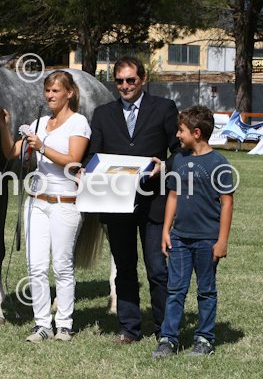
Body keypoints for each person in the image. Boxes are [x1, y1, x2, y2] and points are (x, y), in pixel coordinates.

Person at [86, 56, 180, 344]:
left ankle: (165, 329)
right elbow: (93, 154)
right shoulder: (103, 114)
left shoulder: (164, 108)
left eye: (130, 80)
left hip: (154, 201)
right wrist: (85, 173)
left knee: (158, 269)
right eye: (119, 81)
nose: (125, 86)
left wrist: (165, 166)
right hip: (116, 202)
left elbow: (179, 150)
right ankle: (129, 328)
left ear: (143, 79)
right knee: (124, 268)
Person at [0, 70, 91, 343]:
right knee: (35, 267)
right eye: (47, 90)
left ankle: (64, 324)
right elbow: (11, 152)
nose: (49, 95)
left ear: (69, 93)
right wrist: (4, 127)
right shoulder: (39, 123)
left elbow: (73, 160)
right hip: (36, 202)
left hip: (64, 203)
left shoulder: (78, 123)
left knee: (62, 266)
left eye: (55, 91)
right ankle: (42, 324)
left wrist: (42, 147)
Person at [152, 105, 235, 358]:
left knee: (206, 290)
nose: (177, 135)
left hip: (207, 240)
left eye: (181, 130)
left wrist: (222, 241)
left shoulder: (219, 163)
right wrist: (166, 230)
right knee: (175, 290)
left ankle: (204, 339)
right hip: (179, 238)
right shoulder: (179, 159)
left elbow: (227, 203)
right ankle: (168, 339)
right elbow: (173, 196)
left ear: (196, 133)